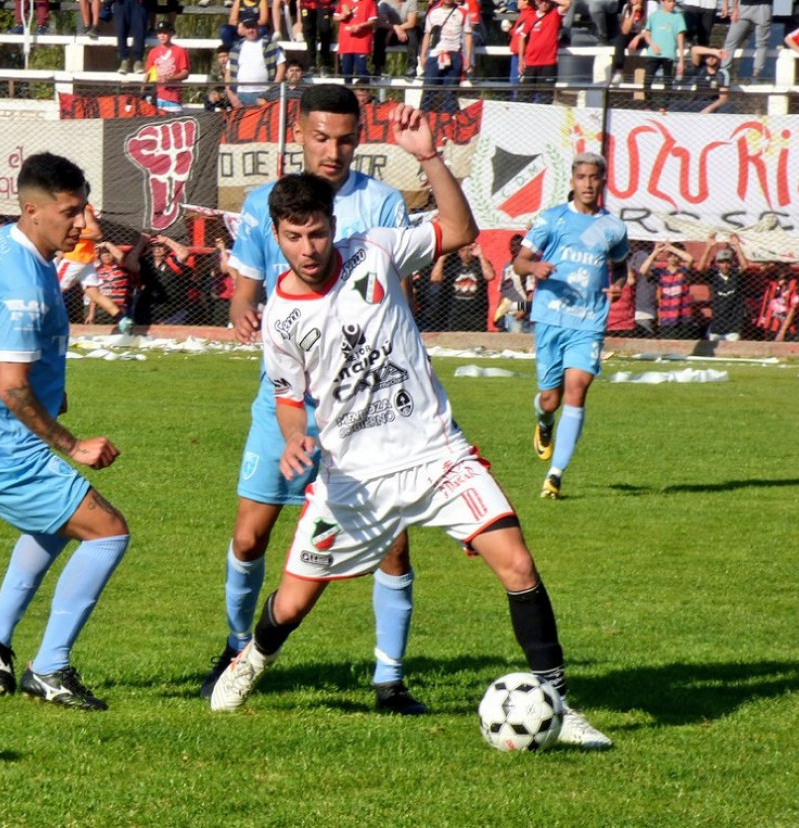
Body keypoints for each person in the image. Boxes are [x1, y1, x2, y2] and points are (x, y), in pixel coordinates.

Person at [209, 139, 612, 751]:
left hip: (437, 455)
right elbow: (290, 398)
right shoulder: (280, 319)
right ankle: (250, 662)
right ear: (277, 236)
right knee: (290, 606)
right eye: (293, 238)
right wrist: (295, 440)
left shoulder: (375, 250)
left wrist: (428, 159)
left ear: (333, 226)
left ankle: (558, 703)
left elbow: (459, 228)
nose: (308, 248)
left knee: (519, 564)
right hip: (352, 478)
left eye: (317, 233)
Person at [204, 84, 422, 715]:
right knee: (249, 538)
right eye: (322, 137)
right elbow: (245, 287)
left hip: (370, 408)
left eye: (347, 139)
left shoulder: (381, 204)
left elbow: (392, 291)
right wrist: (245, 314)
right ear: (298, 132)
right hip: (288, 402)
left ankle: (390, 679)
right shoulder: (264, 204)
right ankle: (237, 648)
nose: (334, 150)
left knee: (394, 543)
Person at [0, 152, 130, 711]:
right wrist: (73, 444)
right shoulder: (23, 282)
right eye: (71, 212)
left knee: (55, 523)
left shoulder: (8, 240)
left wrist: (55, 390)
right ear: (33, 210)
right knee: (108, 532)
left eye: (85, 210)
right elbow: (13, 388)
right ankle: (49, 669)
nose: (84, 224)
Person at [513, 152, 629, 501]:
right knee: (551, 399)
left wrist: (620, 284)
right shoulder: (552, 220)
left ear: (603, 181)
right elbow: (519, 262)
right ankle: (544, 421)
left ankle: (555, 475)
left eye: (594, 177)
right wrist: (534, 269)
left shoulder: (614, 227)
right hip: (551, 318)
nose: (588, 184)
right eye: (581, 177)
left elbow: (620, 266)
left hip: (589, 321)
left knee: (577, 389)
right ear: (572, 181)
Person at [630, 0, 687, 111]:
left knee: (667, 82)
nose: (672, 4)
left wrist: (681, 60)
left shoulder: (678, 17)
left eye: (674, 1)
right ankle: (648, 106)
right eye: (670, 1)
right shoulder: (654, 16)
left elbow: (680, 39)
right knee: (647, 80)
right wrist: (653, 44)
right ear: (662, 2)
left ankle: (664, 106)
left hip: (669, 54)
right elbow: (647, 34)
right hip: (653, 54)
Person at [420, 0, 473, 113]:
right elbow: (427, 34)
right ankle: (424, 120)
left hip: (454, 55)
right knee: (428, 91)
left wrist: (468, 57)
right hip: (435, 55)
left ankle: (447, 123)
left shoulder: (463, 12)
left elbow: (468, 34)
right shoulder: (433, 12)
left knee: (450, 93)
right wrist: (423, 55)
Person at [432, 241, 494, 331]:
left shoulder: (480, 264)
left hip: (477, 313)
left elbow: (490, 276)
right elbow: (435, 278)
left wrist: (480, 255)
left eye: (470, 250)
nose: (466, 254)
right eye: (462, 250)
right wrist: (442, 258)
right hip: (456, 313)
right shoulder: (452, 265)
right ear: (458, 252)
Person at [640, 240, 695, 339]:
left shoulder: (683, 271)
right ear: (667, 257)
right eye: (670, 255)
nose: (673, 258)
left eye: (676, 256)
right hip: (666, 317)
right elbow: (643, 270)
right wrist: (655, 252)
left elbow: (690, 259)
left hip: (683, 316)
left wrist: (671, 248)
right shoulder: (661, 273)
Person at [227, 18, 286, 108]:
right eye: (247, 28)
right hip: (241, 95)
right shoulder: (236, 49)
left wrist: (272, 91)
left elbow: (281, 67)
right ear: (243, 29)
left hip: (264, 94)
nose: (250, 30)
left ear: (258, 27)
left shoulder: (270, 46)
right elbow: (228, 73)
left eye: (253, 27)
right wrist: (231, 96)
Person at [698, 234, 747, 341]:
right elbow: (700, 268)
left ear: (731, 262)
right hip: (717, 324)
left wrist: (737, 246)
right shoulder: (713, 275)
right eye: (721, 262)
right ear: (717, 263)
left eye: (727, 261)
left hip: (733, 325)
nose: (725, 265)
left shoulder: (735, 274)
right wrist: (708, 247)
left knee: (733, 347)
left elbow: (745, 267)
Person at [518, 0, 570, 104]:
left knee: (545, 98)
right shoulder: (530, 16)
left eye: (546, 1)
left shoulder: (555, 14)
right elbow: (522, 38)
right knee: (524, 98)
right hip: (530, 62)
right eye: (541, 1)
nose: (544, 4)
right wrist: (520, 60)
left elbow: (567, 3)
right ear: (536, 2)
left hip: (548, 64)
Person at [719, 0, 772, 83]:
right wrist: (735, 8)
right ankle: (724, 72)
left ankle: (756, 74)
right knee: (730, 41)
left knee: (762, 43)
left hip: (764, 6)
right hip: (744, 6)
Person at [145, 20, 190, 113]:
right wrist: (144, 91)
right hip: (155, 96)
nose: (162, 35)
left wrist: (171, 78)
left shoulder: (180, 51)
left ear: (171, 33)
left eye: (165, 32)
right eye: (159, 32)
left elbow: (185, 73)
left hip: (172, 97)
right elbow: (148, 73)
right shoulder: (153, 52)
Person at [493, 232, 534, 333]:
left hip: (522, 309)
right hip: (509, 310)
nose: (514, 248)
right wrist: (499, 311)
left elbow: (531, 292)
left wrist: (523, 310)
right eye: (512, 245)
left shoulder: (526, 266)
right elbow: (503, 291)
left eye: (518, 245)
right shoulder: (507, 267)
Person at [374, 0, 420, 80]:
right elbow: (381, 23)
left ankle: (412, 67)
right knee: (380, 32)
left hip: (407, 31)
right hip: (392, 31)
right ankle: (378, 67)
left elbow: (411, 23)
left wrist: (396, 29)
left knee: (413, 31)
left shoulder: (411, 1)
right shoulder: (384, 2)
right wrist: (394, 28)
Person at [334, 0, 377, 81]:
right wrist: (342, 17)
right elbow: (335, 16)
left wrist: (360, 26)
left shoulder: (369, 2)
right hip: (346, 41)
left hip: (361, 41)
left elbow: (373, 20)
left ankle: (363, 92)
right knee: (346, 71)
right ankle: (348, 92)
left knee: (362, 71)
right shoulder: (343, 1)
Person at [681, 45, 730, 113]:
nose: (711, 58)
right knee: (674, 107)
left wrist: (709, 109)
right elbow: (694, 49)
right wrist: (714, 52)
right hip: (697, 103)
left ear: (718, 58)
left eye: (714, 56)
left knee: (727, 108)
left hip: (713, 105)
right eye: (708, 56)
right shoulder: (700, 68)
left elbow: (723, 98)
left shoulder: (722, 73)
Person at [756, 269, 799, 342]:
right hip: (770, 324)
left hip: (784, 325)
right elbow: (761, 272)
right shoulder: (772, 282)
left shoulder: (793, 284)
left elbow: (793, 309)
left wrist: (782, 331)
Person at [299, 0, 337, 77]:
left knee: (325, 30)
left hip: (324, 4)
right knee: (308, 32)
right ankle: (311, 65)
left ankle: (324, 64)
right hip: (307, 4)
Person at [115, 0, 150, 74]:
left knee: (139, 31)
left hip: (138, 4)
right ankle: (124, 60)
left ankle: (138, 61)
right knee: (121, 30)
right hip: (121, 3)